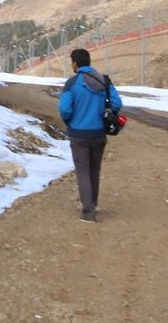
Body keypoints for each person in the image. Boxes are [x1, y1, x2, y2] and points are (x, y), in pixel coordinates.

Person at [57, 48, 122, 222]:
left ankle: (88, 212)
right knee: (94, 169)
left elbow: (64, 109)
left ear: (75, 63)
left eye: (72, 62)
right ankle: (93, 203)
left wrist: (71, 121)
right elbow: (116, 103)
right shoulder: (104, 81)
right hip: (99, 133)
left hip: (78, 134)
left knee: (82, 171)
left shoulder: (72, 83)